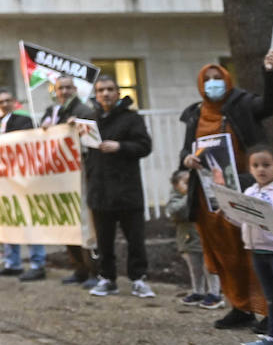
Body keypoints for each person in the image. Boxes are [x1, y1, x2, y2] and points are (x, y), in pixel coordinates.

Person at [177, 51, 273, 331]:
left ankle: (271, 312)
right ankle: (241, 306)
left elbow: (271, 104)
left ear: (227, 80)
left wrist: (270, 73)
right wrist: (188, 158)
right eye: (207, 80)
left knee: (255, 249)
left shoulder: (242, 104)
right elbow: (186, 149)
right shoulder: (195, 114)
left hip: (246, 190)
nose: (213, 84)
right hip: (210, 196)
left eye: (217, 78)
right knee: (226, 254)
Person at [82, 75, 155, 298]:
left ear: (117, 91)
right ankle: (107, 278)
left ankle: (138, 278)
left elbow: (144, 146)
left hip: (127, 190)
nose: (105, 94)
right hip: (100, 190)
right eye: (101, 90)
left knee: (135, 239)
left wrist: (120, 146)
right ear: (96, 93)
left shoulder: (131, 119)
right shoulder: (89, 120)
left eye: (110, 89)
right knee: (104, 240)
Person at [41, 74, 97, 286]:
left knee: (86, 224)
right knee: (67, 221)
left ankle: (94, 271)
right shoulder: (53, 112)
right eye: (60, 88)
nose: (64, 92)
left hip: (80, 175)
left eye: (68, 88)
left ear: (74, 89)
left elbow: (91, 138)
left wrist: (78, 125)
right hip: (62, 177)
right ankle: (79, 268)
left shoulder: (83, 111)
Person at [0, 88, 45, 281]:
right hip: (3, 179)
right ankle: (13, 262)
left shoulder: (23, 121)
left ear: (13, 101)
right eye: (0, 102)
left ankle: (38, 263)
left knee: (29, 220)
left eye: (6, 101)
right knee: (9, 220)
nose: (4, 105)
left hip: (22, 179)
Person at [240, 146, 273, 345]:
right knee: (271, 296)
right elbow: (243, 221)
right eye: (255, 165)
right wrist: (228, 212)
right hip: (257, 251)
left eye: (266, 165)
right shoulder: (249, 192)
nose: (261, 169)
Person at [167, 169, 220, 308]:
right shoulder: (176, 199)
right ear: (175, 186)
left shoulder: (205, 198)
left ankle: (215, 293)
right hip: (189, 240)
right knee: (195, 268)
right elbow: (176, 212)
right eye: (187, 183)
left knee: (210, 267)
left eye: (194, 183)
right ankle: (198, 291)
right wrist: (189, 196)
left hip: (207, 239)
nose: (192, 186)